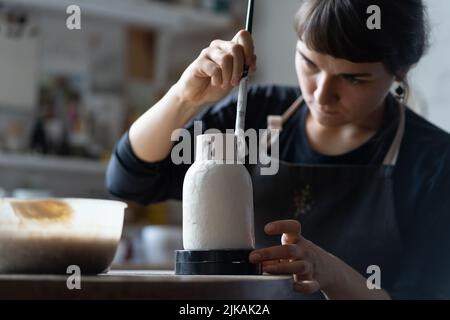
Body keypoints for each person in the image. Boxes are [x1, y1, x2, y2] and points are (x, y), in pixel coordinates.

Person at [106, 0, 450, 299]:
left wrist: (329, 273)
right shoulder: (256, 113)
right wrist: (184, 98)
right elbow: (129, 180)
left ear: (400, 72)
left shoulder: (433, 162)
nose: (321, 93)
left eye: (353, 78)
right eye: (310, 64)